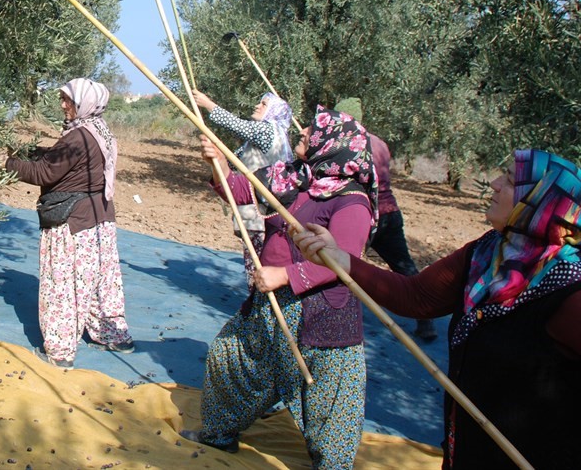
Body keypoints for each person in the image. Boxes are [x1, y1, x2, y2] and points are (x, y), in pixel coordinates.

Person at [293, 149, 581, 470]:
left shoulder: (569, 290)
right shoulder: (487, 253)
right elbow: (417, 297)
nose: (496, 184)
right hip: (468, 450)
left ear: (543, 202)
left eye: (511, 181)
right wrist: (340, 259)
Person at [181, 107, 375, 469]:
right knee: (232, 358)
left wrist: (285, 275)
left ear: (332, 146)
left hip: (321, 317)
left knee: (326, 397)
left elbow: (343, 260)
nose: (301, 134)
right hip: (269, 307)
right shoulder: (292, 176)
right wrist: (219, 163)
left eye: (309, 134)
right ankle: (219, 434)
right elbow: (236, 189)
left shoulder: (352, 201)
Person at [4, 78, 133, 368]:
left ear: (83, 104)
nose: (63, 105)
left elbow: (44, 174)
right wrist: (32, 151)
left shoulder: (78, 138)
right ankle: (113, 335)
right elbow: (60, 160)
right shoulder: (99, 130)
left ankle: (60, 351)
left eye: (68, 100)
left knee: (63, 284)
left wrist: (9, 162)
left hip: (73, 221)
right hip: (100, 219)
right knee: (101, 281)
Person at [334, 97, 436, 342]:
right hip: (390, 212)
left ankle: (333, 318)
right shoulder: (379, 142)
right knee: (404, 265)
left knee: (341, 263)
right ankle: (426, 321)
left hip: (365, 214)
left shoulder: (349, 143)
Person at [192, 89, 294, 271]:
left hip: (258, 212)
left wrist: (207, 104)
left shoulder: (267, 130)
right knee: (260, 263)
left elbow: (237, 125)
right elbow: (232, 160)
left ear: (274, 111)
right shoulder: (275, 137)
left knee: (258, 267)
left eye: (264, 104)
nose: (257, 105)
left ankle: (258, 297)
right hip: (264, 212)